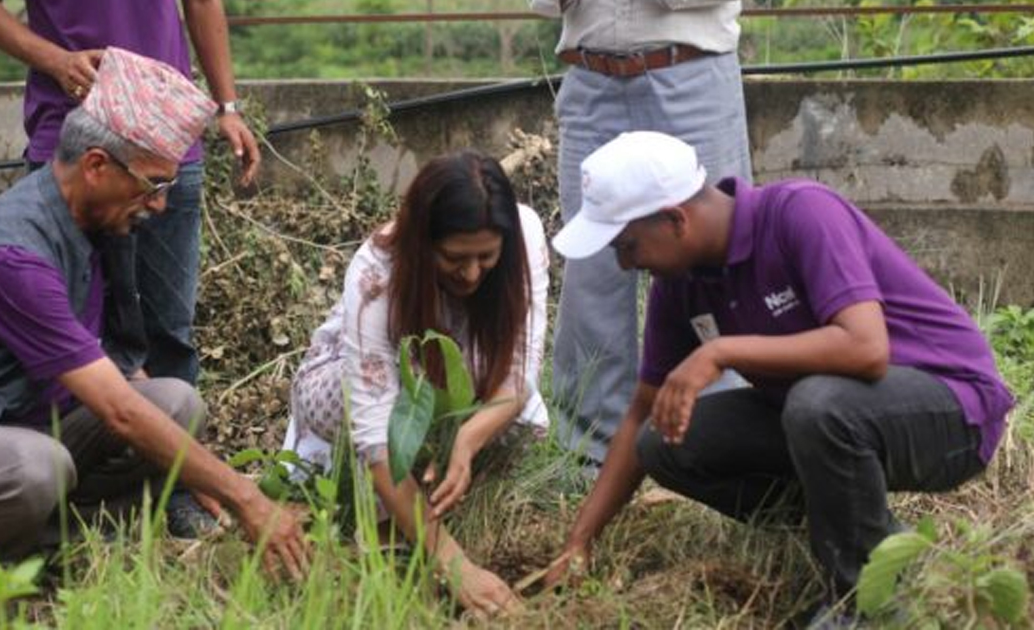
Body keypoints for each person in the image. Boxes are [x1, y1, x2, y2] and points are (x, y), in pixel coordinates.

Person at [0, 48, 307, 583]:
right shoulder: (13, 253)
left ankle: (45, 552)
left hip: (26, 421)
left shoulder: (100, 221)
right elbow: (117, 410)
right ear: (96, 165)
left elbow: (120, 365)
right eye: (155, 183)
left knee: (174, 404)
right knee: (38, 468)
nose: (160, 204)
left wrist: (192, 465)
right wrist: (245, 496)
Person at [541, 132, 1013, 620]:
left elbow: (866, 348)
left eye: (628, 245)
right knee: (661, 439)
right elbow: (643, 407)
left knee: (818, 404)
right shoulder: (680, 284)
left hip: (952, 409)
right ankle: (851, 530)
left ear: (675, 220)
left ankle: (867, 600)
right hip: (833, 416)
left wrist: (721, 351)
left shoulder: (800, 212)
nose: (625, 263)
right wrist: (580, 542)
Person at [282, 151, 550, 616]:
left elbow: (518, 375)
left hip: (453, 383)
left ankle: (430, 501)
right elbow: (375, 436)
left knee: (521, 420)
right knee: (393, 413)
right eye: (454, 258)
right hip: (343, 388)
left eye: (486, 258)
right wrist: (455, 564)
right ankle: (377, 515)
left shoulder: (525, 237)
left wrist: (468, 439)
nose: (471, 274)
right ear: (423, 242)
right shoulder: (376, 274)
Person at [0, 0, 261, 386]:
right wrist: (57, 61)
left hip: (167, 143)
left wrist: (228, 107)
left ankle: (172, 441)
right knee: (70, 324)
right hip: (74, 140)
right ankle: (74, 441)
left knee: (169, 332)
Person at [528, 0, 752, 467]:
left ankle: (725, 448)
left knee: (715, 258)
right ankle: (589, 454)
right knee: (593, 266)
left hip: (692, 70)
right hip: (590, 77)